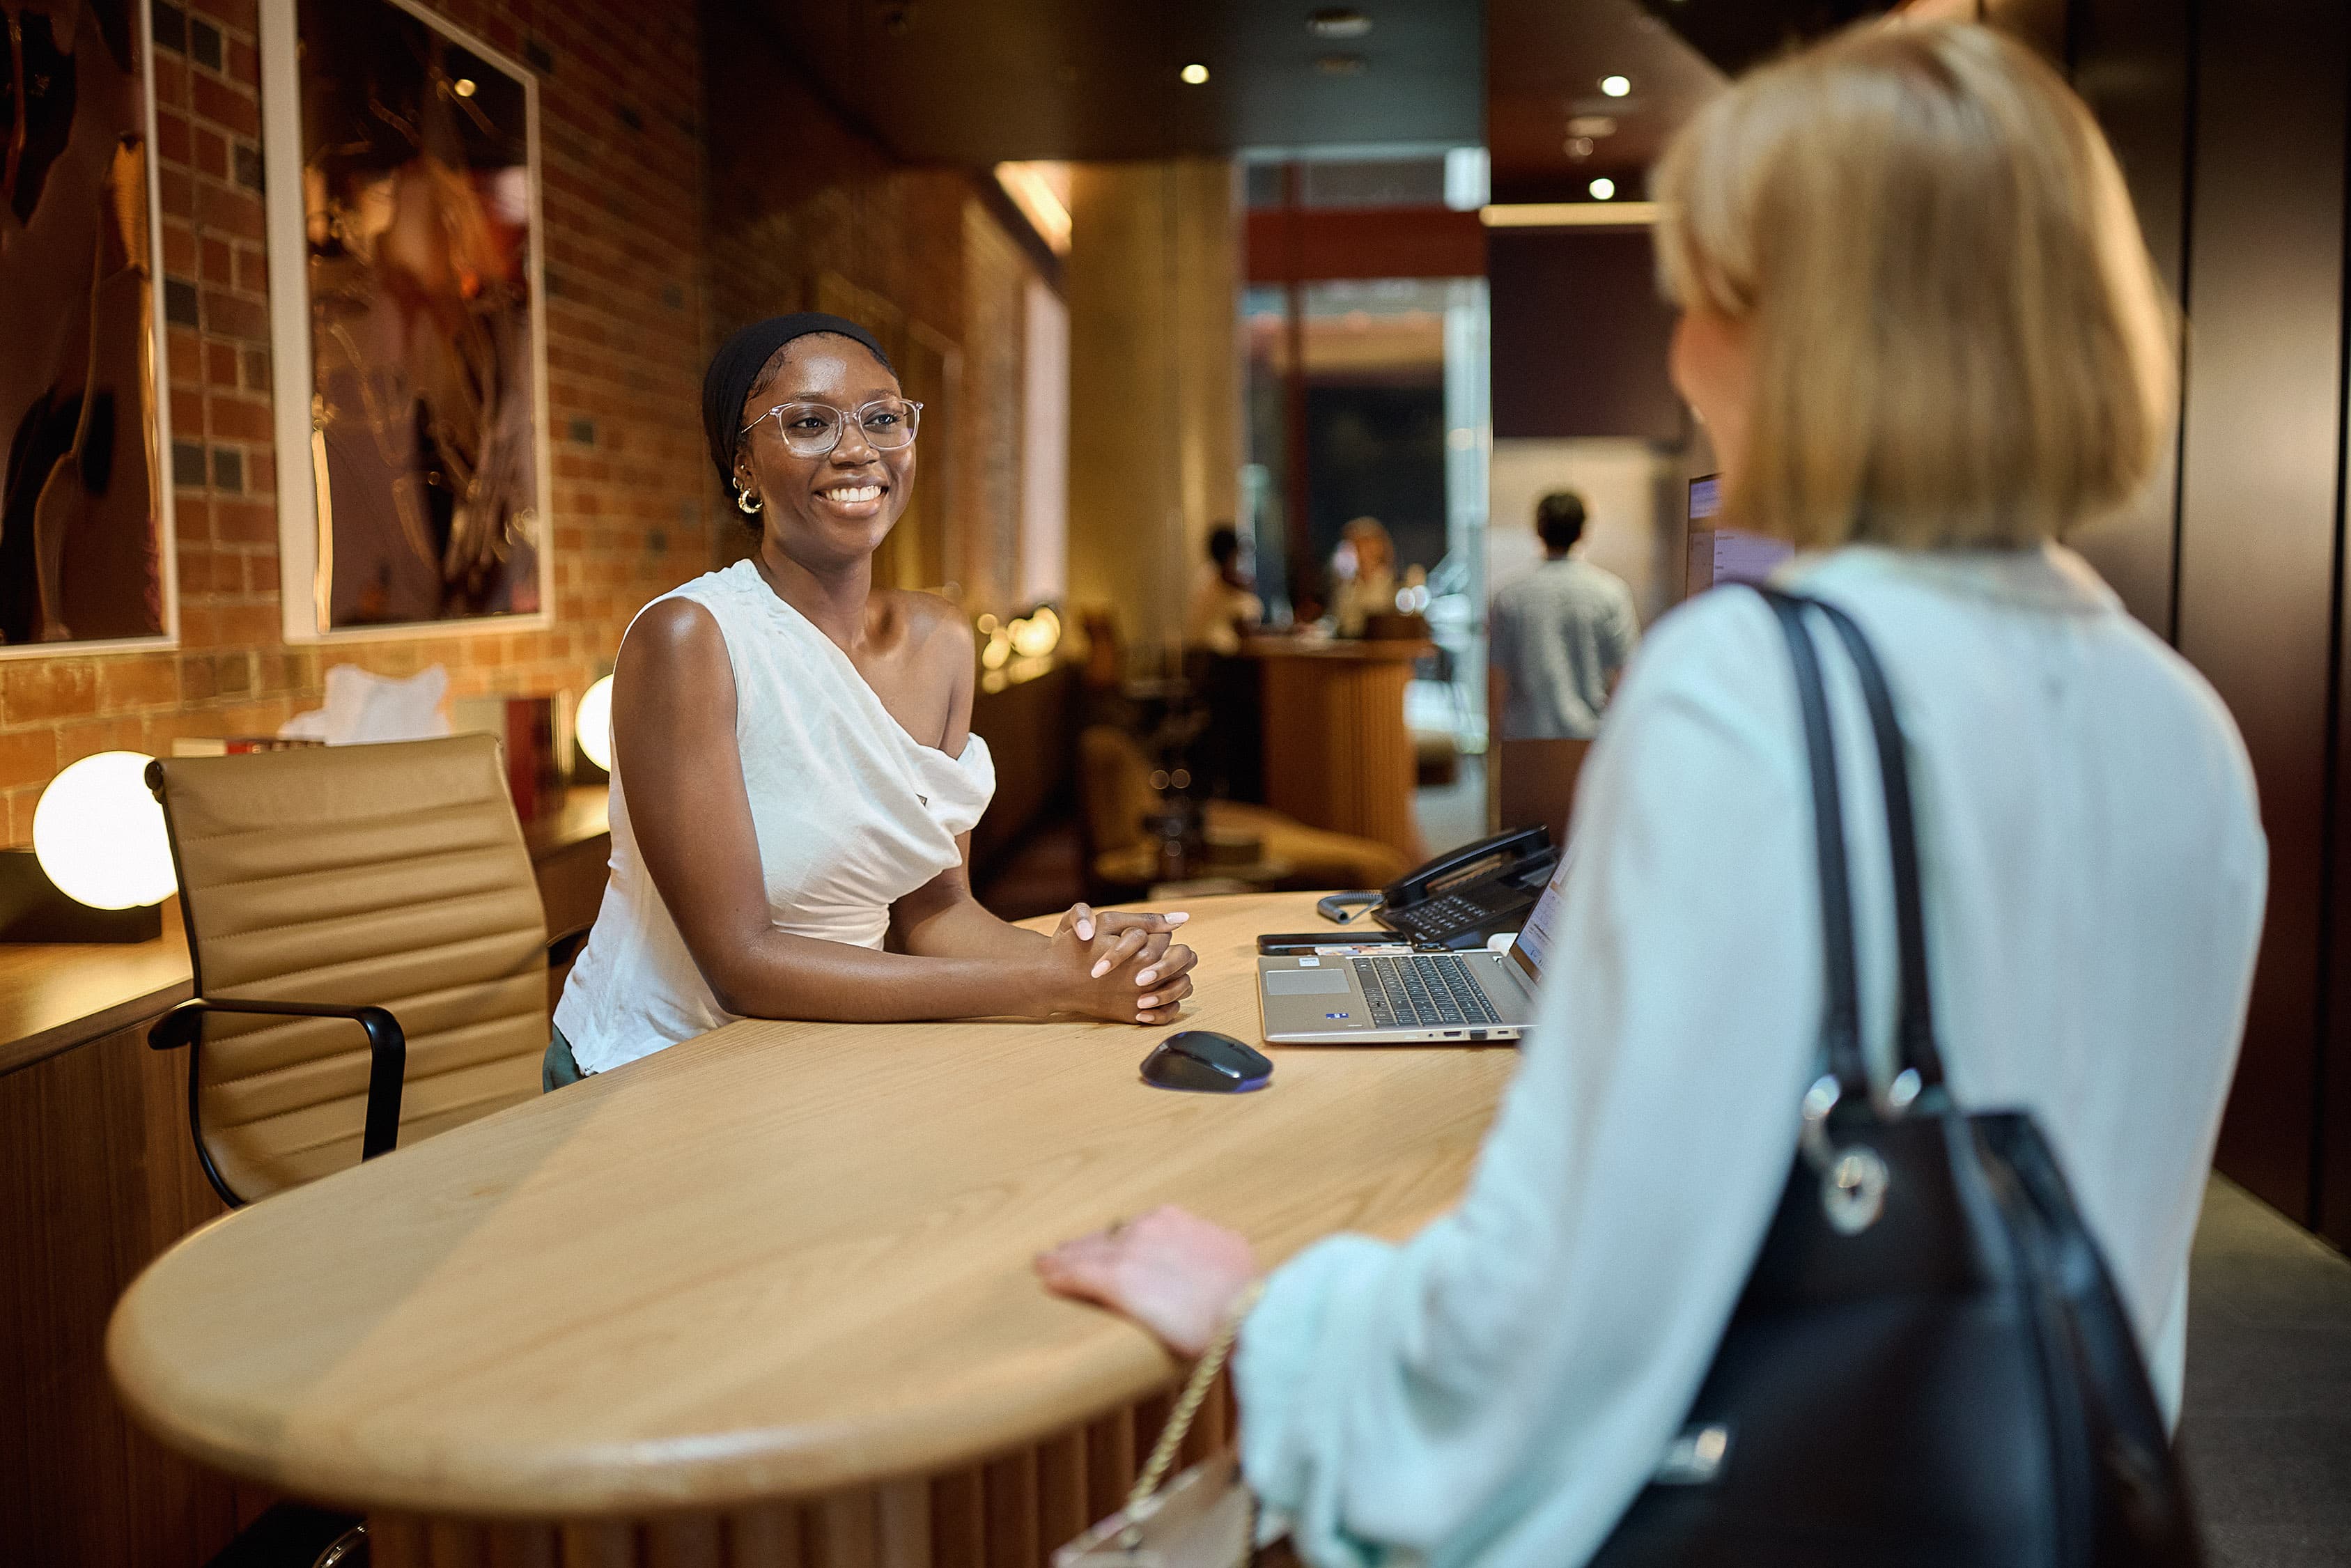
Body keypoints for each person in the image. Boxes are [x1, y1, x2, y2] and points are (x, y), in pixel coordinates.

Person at [1037, 23, 2266, 1567]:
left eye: (1706, 299)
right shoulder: (2187, 731)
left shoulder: (1751, 682)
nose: (1684, 350)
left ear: (1802, 335)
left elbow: (1558, 1308)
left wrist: (1263, 1315)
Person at [549, 314, 1196, 1085]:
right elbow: (742, 964)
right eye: (809, 422)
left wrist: (1090, 966)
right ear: (744, 466)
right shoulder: (689, 640)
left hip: (828, 1051)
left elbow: (936, 915)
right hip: (658, 1068)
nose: (857, 449)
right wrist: (1044, 984)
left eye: (883, 418)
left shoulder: (943, 644)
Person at [1487, 492, 1640, 740]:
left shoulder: (1509, 597)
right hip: (1590, 741)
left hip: (1525, 740)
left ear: (1538, 530)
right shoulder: (1612, 593)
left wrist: (1495, 734)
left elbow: (1496, 677)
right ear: (1582, 532)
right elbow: (1625, 675)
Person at [1185, 524, 1264, 655]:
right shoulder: (1218, 580)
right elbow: (1243, 628)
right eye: (1236, 554)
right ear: (1231, 554)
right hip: (1214, 657)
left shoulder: (1206, 578)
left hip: (1202, 653)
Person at [1328, 516, 1397, 637]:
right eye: (1356, 546)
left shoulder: (1396, 583)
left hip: (1380, 649)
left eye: (1366, 545)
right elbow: (1340, 621)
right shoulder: (1347, 584)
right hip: (1350, 649)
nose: (1361, 553)